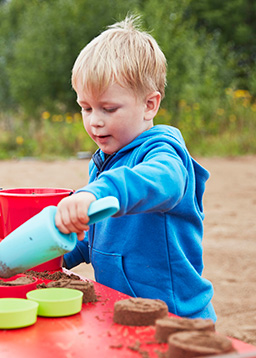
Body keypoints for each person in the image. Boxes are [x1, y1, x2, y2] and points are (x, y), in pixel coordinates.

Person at [55, 14, 216, 321]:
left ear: (149, 105)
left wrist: (96, 193)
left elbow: (159, 184)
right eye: (85, 108)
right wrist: (57, 254)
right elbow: (97, 239)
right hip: (122, 310)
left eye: (108, 108)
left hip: (173, 319)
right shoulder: (105, 161)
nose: (94, 120)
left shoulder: (164, 153)